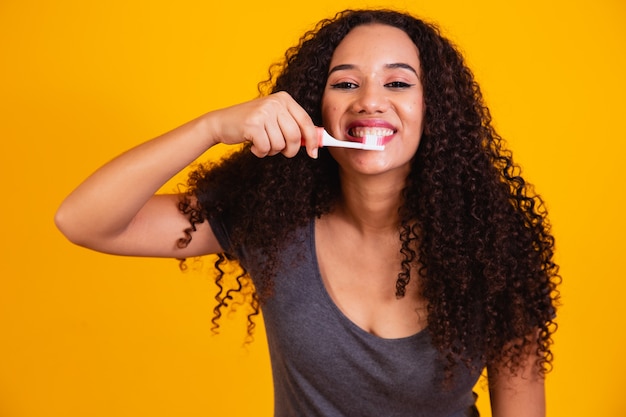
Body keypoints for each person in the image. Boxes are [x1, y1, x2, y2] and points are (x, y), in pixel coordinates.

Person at [55, 9, 560, 417]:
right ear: (314, 107)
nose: (369, 101)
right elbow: (81, 221)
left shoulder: (496, 247)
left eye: (398, 84)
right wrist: (209, 127)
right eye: (345, 84)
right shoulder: (270, 220)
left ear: (436, 111)